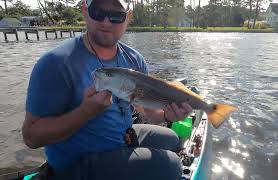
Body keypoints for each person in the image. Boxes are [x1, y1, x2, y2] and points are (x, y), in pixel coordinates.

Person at [22, 0, 193, 179]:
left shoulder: (134, 59)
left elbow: (149, 112)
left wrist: (168, 115)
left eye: (116, 15)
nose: (106, 22)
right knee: (172, 166)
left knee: (171, 138)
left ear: (128, 17)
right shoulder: (55, 63)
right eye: (97, 12)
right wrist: (85, 112)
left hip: (121, 139)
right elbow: (31, 138)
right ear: (85, 11)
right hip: (78, 162)